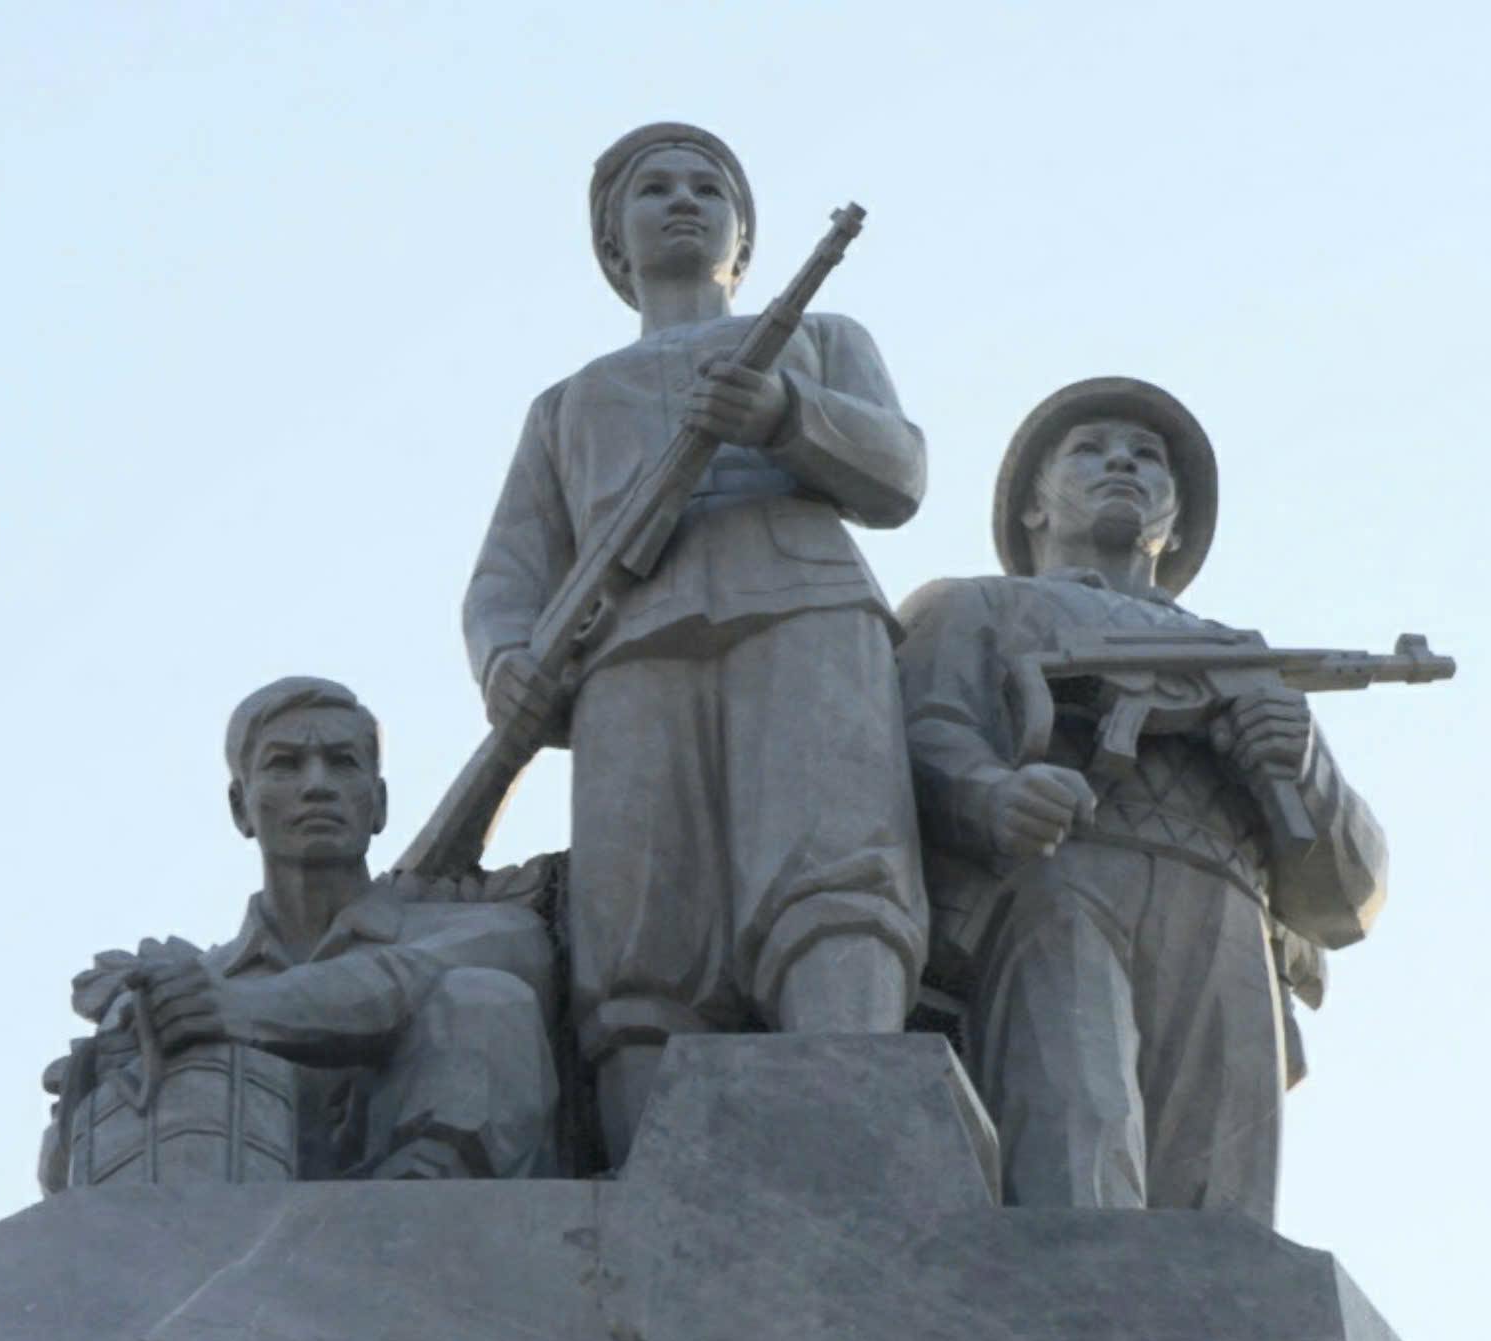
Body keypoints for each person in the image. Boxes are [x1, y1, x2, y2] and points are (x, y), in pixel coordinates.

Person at [463, 122, 929, 1164]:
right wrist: (506, 662)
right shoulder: (567, 404)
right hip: (630, 659)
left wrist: (785, 413)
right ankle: (652, 1171)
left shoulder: (820, 335)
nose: (683, 201)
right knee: (640, 924)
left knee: (830, 866)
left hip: (806, 618)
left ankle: (858, 1125)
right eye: (654, 190)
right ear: (614, 246)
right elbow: (507, 575)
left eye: (708, 189)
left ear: (744, 240)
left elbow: (898, 472)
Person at [899, 379, 1390, 1218]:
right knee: (1075, 1149)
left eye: (1149, 458)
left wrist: (1297, 760)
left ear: (1177, 520)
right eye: (1088, 449)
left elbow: (1348, 900)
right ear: (1031, 509)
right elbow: (915, 734)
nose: (1122, 461)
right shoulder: (975, 607)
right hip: (1057, 884)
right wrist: (988, 797)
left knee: (1224, 1218)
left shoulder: (1240, 657)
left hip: (1231, 916)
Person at [40, 677, 558, 1188]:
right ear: (241, 808)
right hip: (239, 1241)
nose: (317, 785)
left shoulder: (482, 930)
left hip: (443, 1236)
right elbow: (61, 1185)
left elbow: (429, 972)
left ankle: (420, 1210)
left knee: (483, 996)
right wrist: (99, 1078)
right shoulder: (199, 983)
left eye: (342, 762)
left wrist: (244, 1008)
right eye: (284, 764)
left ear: (377, 805)